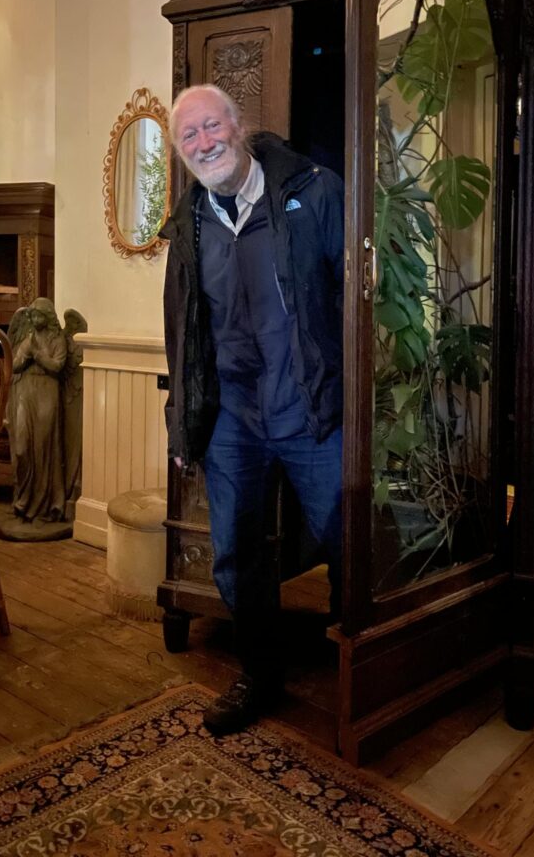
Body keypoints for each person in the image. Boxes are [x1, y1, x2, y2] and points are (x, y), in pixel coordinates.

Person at [161, 84, 344, 736]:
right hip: (233, 418)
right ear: (182, 152)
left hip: (308, 405)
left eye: (213, 127)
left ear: (239, 128)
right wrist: (185, 421)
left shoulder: (313, 191)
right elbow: (181, 330)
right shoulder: (189, 222)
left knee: (344, 535)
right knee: (236, 551)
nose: (205, 142)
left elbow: (357, 294)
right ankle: (260, 673)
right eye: (190, 136)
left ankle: (359, 670)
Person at [8, 297, 68, 523]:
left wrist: (38, 354)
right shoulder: (29, 338)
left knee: (44, 448)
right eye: (32, 316)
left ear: (48, 316)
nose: (34, 319)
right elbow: (14, 364)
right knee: (23, 447)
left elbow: (57, 366)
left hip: (47, 393)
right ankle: (23, 498)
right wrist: (21, 356)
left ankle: (45, 503)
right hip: (26, 391)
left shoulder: (57, 338)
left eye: (38, 315)